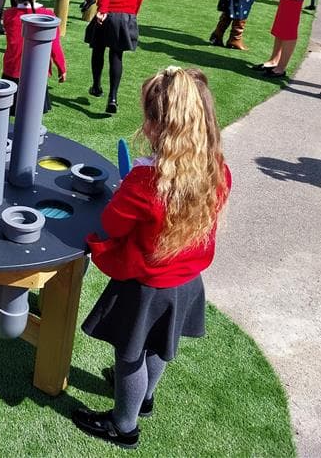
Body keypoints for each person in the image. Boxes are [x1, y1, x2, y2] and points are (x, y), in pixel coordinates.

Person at [72, 66, 231, 450]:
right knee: (159, 344)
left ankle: (123, 426)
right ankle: (143, 398)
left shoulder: (146, 181)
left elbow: (112, 223)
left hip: (146, 285)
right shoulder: (217, 171)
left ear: (158, 126)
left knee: (130, 356)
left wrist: (126, 186)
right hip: (187, 282)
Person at [1, 0, 67, 114]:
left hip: (12, 71)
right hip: (38, 72)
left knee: (8, 114)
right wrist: (61, 67)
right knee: (33, 116)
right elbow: (55, 46)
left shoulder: (8, 15)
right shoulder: (48, 15)